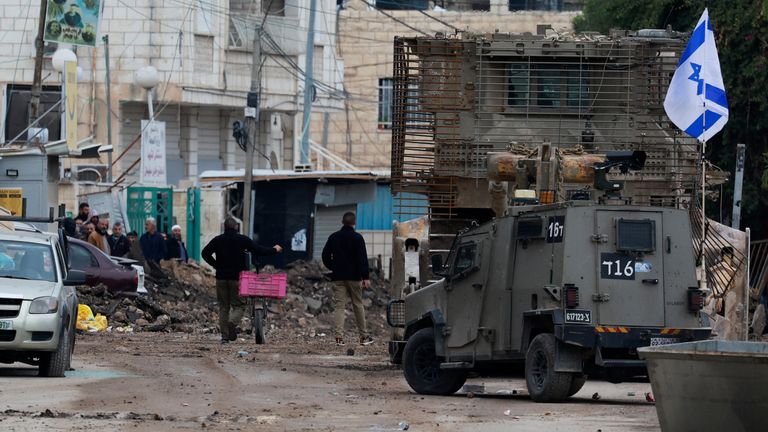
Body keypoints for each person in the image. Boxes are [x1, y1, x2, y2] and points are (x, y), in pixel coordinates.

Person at [202, 217, 283, 344]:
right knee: (239, 305)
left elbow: (205, 253)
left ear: (224, 227)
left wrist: (215, 264)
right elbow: (259, 250)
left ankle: (225, 337)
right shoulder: (242, 240)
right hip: (237, 279)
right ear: (236, 227)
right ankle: (232, 323)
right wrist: (275, 249)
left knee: (224, 307)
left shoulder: (217, 240)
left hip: (221, 278)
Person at [322, 212, 373, 346]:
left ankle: (339, 338)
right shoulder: (357, 238)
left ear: (342, 222)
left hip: (338, 277)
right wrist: (365, 277)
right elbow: (362, 258)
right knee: (358, 304)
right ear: (354, 222)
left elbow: (325, 256)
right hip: (354, 277)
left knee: (339, 307)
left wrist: (334, 267)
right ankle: (363, 337)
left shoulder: (333, 237)